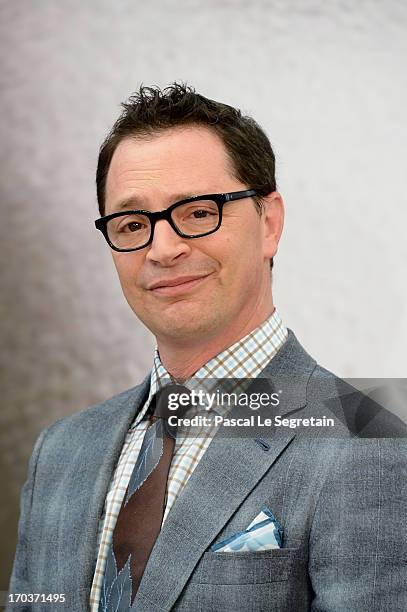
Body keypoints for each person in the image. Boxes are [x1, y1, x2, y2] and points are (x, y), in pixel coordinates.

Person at [8, 83, 406, 612]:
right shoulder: (61, 451)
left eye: (198, 212)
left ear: (269, 224)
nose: (163, 249)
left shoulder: (370, 441)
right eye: (132, 223)